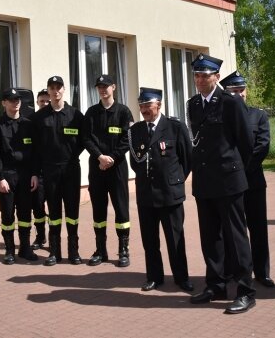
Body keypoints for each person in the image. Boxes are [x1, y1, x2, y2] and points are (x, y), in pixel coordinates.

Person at [187, 54, 256, 314]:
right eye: (197, 75)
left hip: (229, 180)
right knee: (210, 238)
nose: (200, 79)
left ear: (216, 76)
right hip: (204, 182)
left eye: (205, 75)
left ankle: (245, 291)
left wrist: (235, 170)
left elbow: (246, 143)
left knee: (236, 238)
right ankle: (215, 285)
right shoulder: (193, 104)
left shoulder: (230, 102)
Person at [128, 87, 193, 292]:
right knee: (150, 240)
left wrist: (175, 180)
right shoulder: (135, 130)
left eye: (148, 105)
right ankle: (154, 277)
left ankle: (181, 277)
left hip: (170, 194)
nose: (144, 109)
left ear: (159, 105)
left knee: (175, 238)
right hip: (146, 194)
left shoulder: (175, 127)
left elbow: (187, 159)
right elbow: (135, 162)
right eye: (141, 105)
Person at [220, 71, 275, 288]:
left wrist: (240, 168)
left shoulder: (258, 115)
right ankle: (236, 271)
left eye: (241, 89)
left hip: (253, 181)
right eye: (234, 91)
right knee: (233, 230)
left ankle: (262, 272)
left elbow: (262, 146)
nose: (239, 94)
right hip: (230, 184)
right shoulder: (221, 116)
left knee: (258, 228)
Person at [31, 76, 84, 266]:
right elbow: (35, 148)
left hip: (71, 169)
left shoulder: (76, 115)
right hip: (50, 170)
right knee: (53, 212)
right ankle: (54, 252)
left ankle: (74, 252)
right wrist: (36, 171)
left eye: (58, 87)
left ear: (64, 90)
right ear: (48, 90)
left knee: (72, 211)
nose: (55, 91)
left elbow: (83, 142)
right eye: (51, 88)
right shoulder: (39, 117)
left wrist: (71, 157)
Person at [82, 74, 134, 267]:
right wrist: (100, 157)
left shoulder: (123, 112)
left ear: (114, 87)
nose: (103, 90)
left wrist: (112, 158)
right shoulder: (91, 112)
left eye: (106, 86)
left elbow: (127, 139)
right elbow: (86, 138)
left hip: (117, 168)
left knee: (121, 209)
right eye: (99, 87)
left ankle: (123, 250)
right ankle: (100, 250)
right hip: (97, 167)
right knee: (98, 209)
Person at [0, 87, 39, 264]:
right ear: (4, 103)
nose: (15, 103)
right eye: (11, 100)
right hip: (7, 176)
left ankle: (25, 248)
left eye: (17, 100)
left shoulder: (28, 125)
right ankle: (9, 250)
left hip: (26, 176)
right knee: (8, 216)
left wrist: (34, 174)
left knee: (25, 214)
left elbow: (34, 152)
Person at [30, 89, 50, 250]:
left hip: (54, 171)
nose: (44, 104)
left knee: (55, 206)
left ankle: (54, 239)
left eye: (47, 101)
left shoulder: (55, 117)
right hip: (37, 172)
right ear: (37, 102)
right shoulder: (30, 121)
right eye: (42, 101)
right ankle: (40, 236)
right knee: (37, 206)